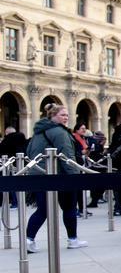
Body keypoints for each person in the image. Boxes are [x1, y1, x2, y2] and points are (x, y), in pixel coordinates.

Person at [24, 104, 88, 252]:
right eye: (62, 115)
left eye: (67, 115)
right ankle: (72, 239)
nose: (66, 118)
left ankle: (29, 240)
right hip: (59, 176)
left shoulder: (38, 133)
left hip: (38, 175)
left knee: (42, 210)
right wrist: (74, 177)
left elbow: (28, 152)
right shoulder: (59, 132)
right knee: (69, 208)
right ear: (52, 116)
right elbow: (67, 156)